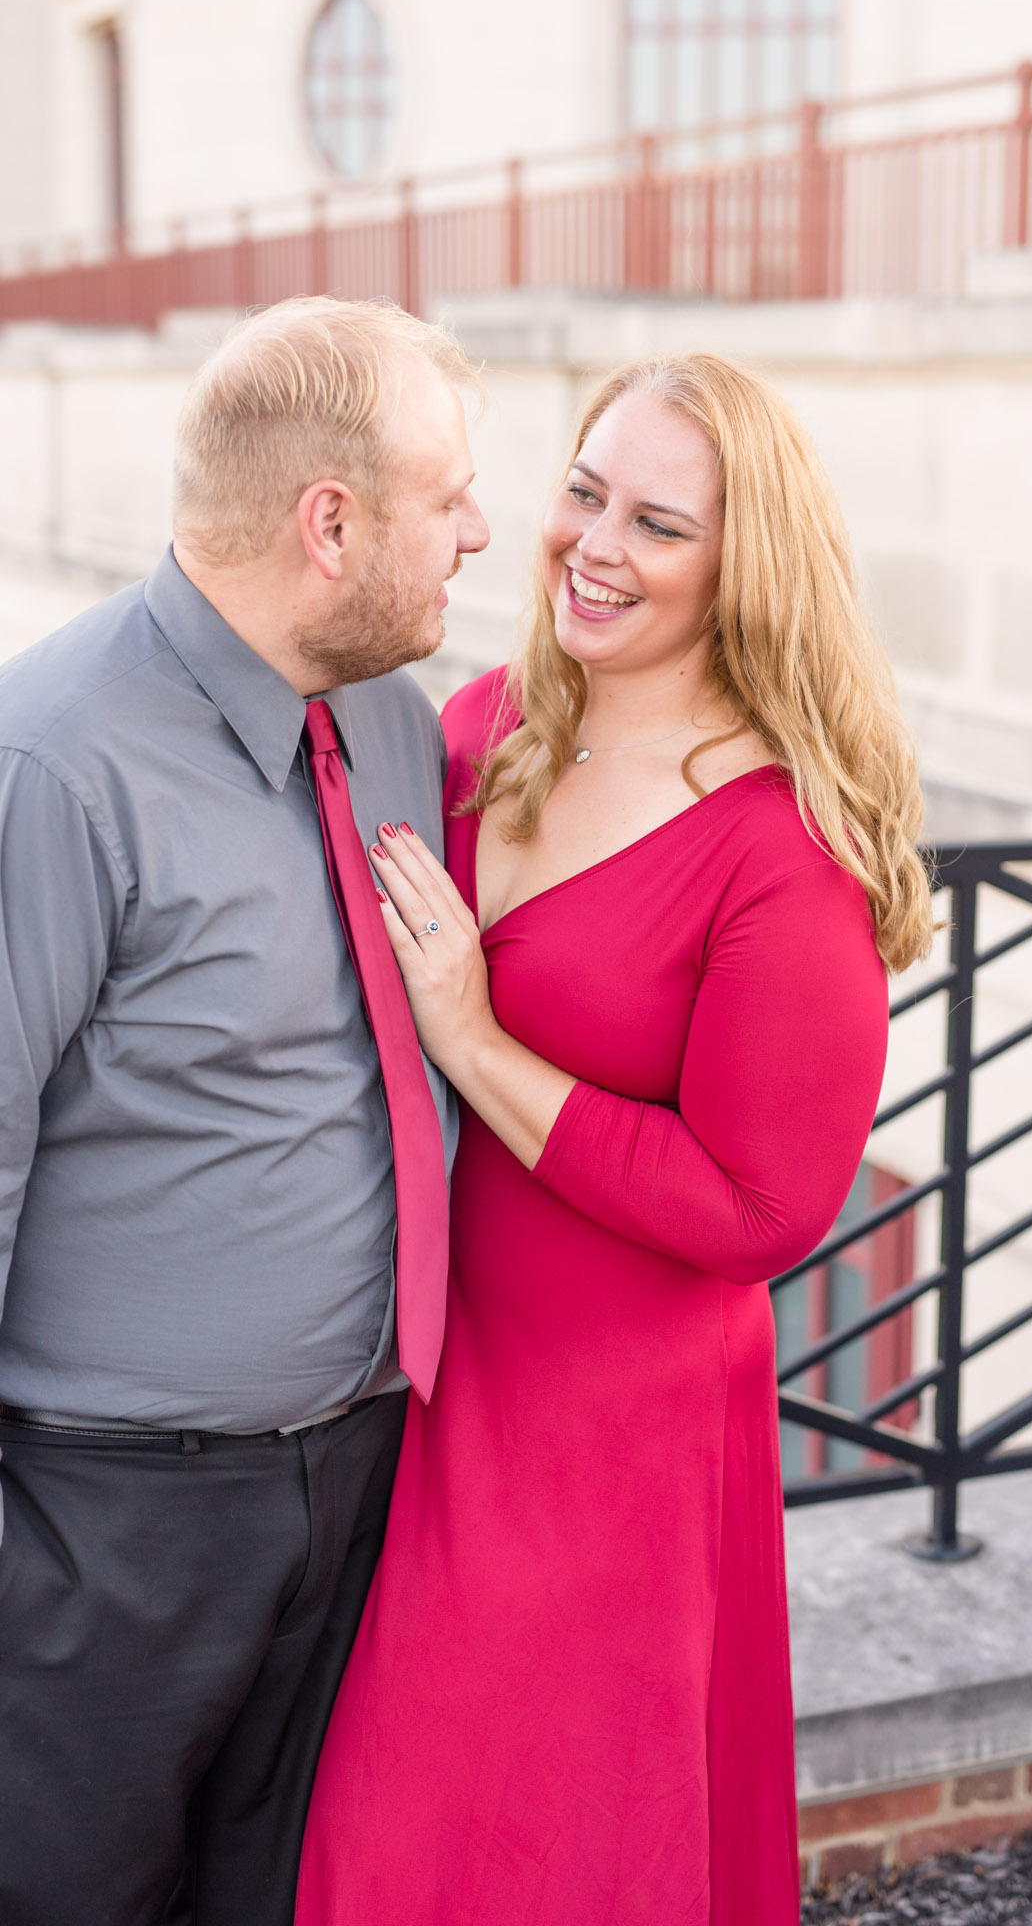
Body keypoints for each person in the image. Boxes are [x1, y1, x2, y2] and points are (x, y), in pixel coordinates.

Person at [296, 354, 934, 1925]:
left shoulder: (783, 847)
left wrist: (480, 1044)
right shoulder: (483, 725)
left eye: (658, 522)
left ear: (742, 567)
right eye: (585, 491)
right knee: (366, 1841)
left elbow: (759, 1208)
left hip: (610, 1438)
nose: (595, 543)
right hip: (414, 1387)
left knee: (533, 1847)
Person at [0, 295, 490, 1926]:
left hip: (359, 1475)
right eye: (450, 499)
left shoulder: (399, 726)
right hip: (104, 1519)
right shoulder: (54, 761)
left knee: (272, 1896)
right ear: (330, 523)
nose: (480, 533)